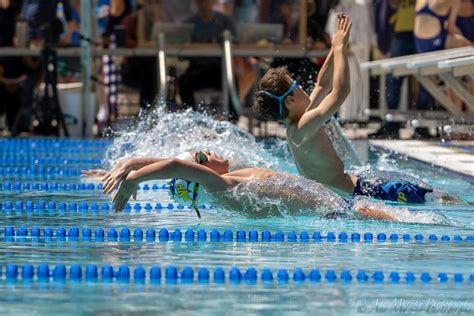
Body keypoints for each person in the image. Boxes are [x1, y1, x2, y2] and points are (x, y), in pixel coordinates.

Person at [252, 14, 450, 204]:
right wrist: (339, 50)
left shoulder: (296, 126)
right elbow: (340, 92)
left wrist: (334, 46)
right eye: (297, 86)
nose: (303, 87)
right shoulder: (304, 125)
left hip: (356, 189)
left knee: (432, 194)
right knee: (435, 197)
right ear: (290, 100)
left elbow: (323, 85)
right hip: (359, 192)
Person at [101, 150, 455, 224]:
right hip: (338, 211)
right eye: (204, 155)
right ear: (200, 172)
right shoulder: (221, 185)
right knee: (411, 221)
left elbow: (174, 163)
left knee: (404, 213)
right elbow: (177, 165)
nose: (212, 151)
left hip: (333, 207)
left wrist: (134, 163)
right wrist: (133, 182)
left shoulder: (229, 181)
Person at [178, 0, 238, 119]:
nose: (204, 4)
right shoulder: (188, 24)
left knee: (231, 78)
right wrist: (189, 47)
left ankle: (233, 117)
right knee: (183, 81)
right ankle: (191, 118)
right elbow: (180, 55)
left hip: (218, 69)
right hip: (197, 69)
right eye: (201, 1)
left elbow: (235, 45)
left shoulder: (225, 22)